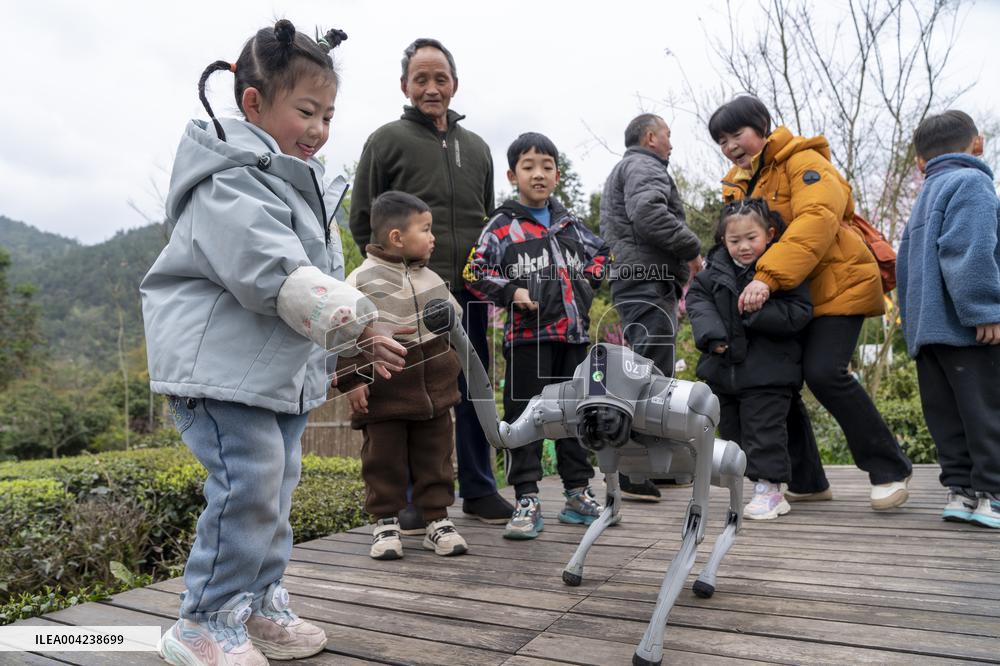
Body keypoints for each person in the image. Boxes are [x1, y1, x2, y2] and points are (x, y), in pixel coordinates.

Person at [141, 21, 413, 665]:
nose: (319, 129)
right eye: (306, 111)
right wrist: (362, 322)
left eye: (328, 115)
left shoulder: (294, 179)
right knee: (250, 486)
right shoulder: (226, 179)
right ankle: (203, 620)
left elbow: (309, 283)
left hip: (270, 375)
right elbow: (272, 271)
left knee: (276, 486)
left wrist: (349, 336)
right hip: (220, 372)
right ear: (253, 102)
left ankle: (255, 603)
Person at [709, 94, 913, 510]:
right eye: (722, 140)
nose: (731, 146)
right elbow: (734, 240)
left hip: (837, 287)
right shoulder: (737, 181)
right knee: (777, 379)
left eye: (738, 134)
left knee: (824, 372)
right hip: (789, 297)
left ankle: (889, 468)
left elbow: (815, 222)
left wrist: (767, 278)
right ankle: (807, 480)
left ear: (763, 127)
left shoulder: (806, 164)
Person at [350, 37, 513, 528]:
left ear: (454, 85)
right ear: (405, 85)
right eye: (421, 78)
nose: (431, 88)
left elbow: (484, 217)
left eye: (440, 78)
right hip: (404, 298)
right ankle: (403, 502)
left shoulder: (478, 147)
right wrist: (388, 278)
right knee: (400, 396)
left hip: (468, 295)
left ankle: (480, 488)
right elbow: (364, 218)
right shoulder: (385, 141)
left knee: (471, 389)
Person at [464, 132, 611, 539]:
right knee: (524, 416)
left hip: (575, 338)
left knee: (577, 415)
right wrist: (512, 292)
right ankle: (526, 497)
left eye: (547, 166)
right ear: (513, 175)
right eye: (529, 166)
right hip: (529, 340)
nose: (539, 174)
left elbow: (603, 254)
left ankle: (578, 494)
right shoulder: (502, 226)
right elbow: (474, 272)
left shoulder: (571, 225)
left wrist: (586, 283)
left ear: (558, 174)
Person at [336, 191, 470, 557]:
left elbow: (454, 328)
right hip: (386, 391)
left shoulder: (432, 279)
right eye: (425, 229)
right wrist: (352, 380)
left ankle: (437, 520)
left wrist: (455, 367)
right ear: (397, 237)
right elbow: (344, 333)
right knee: (383, 460)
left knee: (437, 457)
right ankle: (385, 524)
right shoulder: (361, 280)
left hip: (435, 393)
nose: (432, 237)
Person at [898, 110, 1000, 528]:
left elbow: (907, 265)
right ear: (977, 144)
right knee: (986, 411)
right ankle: (994, 494)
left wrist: (913, 327)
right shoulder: (973, 183)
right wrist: (985, 308)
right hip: (967, 327)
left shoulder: (926, 194)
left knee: (948, 414)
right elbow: (968, 249)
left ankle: (961, 492)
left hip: (929, 329)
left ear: (920, 162)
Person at [600, 113, 704, 501]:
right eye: (668, 135)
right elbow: (649, 214)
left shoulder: (624, 168)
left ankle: (653, 464)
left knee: (651, 366)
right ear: (650, 137)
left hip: (637, 274)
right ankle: (633, 465)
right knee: (647, 369)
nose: (671, 144)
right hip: (647, 276)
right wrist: (691, 249)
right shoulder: (644, 165)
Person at [687, 199, 812, 520]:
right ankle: (749, 484)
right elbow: (698, 305)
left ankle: (770, 489)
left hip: (769, 370)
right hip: (725, 370)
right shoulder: (710, 275)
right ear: (722, 241)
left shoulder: (781, 271)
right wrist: (714, 338)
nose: (744, 247)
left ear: (769, 234)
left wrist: (756, 313)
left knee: (764, 431)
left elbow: (799, 312)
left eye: (751, 238)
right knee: (733, 432)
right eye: (734, 240)